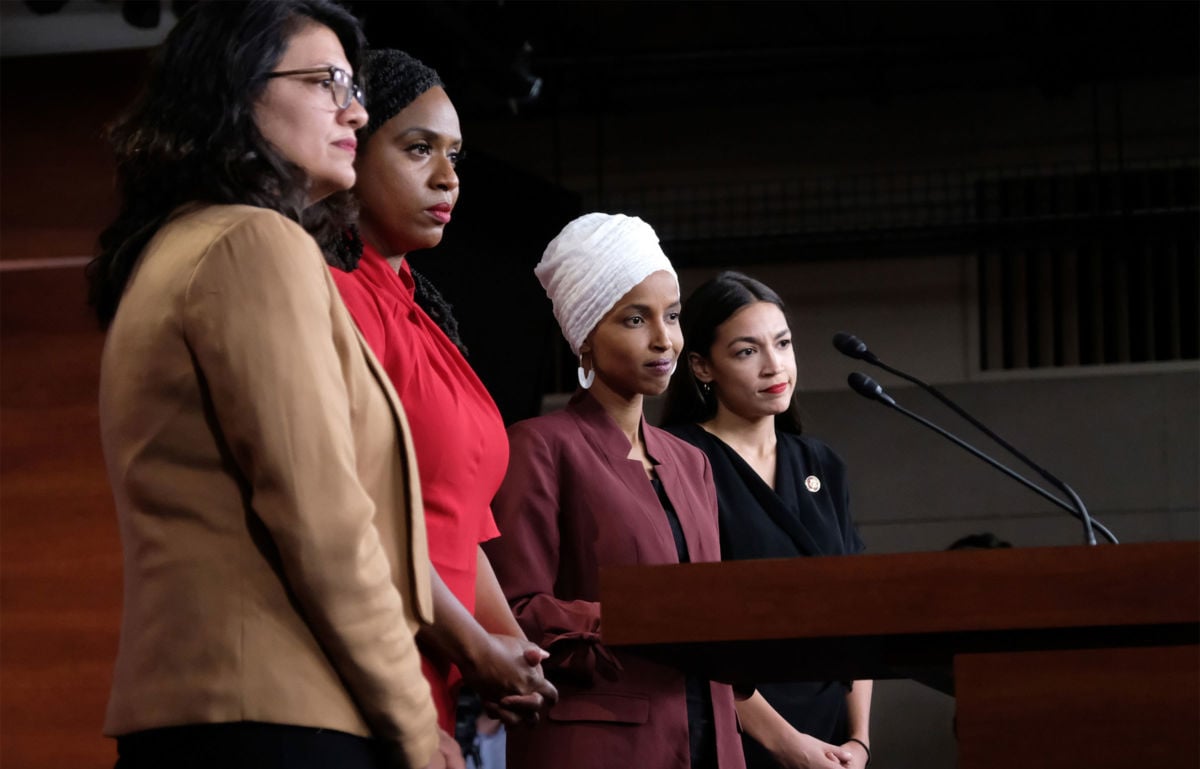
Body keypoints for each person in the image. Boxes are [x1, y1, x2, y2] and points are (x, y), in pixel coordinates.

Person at [86, 3, 440, 767]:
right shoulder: (254, 243)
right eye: (325, 81)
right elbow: (325, 524)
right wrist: (415, 725)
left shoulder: (182, 246)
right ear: (235, 93)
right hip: (280, 722)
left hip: (217, 717)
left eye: (355, 84)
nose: (357, 108)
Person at [326, 48, 557, 754]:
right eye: (418, 148)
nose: (448, 177)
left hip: (436, 681)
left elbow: (459, 525)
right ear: (352, 152)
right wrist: (475, 649)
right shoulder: (333, 298)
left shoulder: (427, 315)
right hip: (363, 682)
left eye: (454, 153)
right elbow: (354, 520)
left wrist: (509, 650)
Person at [482, 213, 747, 769]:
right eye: (634, 319)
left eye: (672, 316)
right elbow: (513, 610)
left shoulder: (691, 461)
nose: (664, 339)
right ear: (584, 339)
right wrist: (647, 616)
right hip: (599, 745)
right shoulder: (539, 447)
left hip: (709, 738)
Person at [661, 271, 872, 769]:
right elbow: (689, 629)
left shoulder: (822, 463)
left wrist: (859, 742)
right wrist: (786, 743)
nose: (774, 365)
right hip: (736, 733)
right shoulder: (680, 459)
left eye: (783, 343)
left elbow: (862, 609)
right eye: (746, 351)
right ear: (702, 366)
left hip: (834, 741)